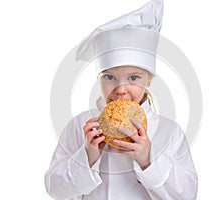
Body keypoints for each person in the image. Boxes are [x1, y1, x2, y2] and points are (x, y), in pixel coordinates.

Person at [45, 0, 198, 199]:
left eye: (134, 78)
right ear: (99, 79)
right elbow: (55, 190)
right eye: (110, 77)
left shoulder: (168, 131)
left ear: (149, 79)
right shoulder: (80, 126)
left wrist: (148, 160)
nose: (121, 90)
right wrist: (88, 156)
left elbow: (187, 195)